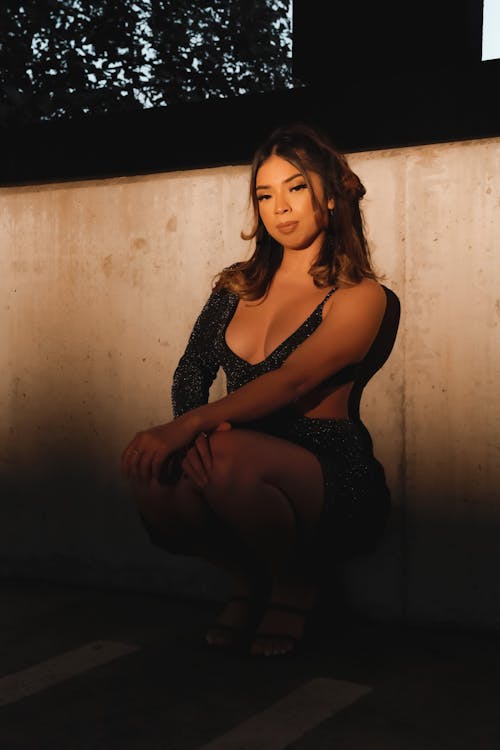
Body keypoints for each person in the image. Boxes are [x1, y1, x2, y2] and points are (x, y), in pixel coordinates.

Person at [121, 122, 394, 658]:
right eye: (265, 194)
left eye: (295, 188)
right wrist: (188, 433)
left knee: (221, 455)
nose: (281, 207)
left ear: (333, 197)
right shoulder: (236, 284)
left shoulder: (360, 295)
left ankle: (297, 584)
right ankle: (248, 580)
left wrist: (192, 426)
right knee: (148, 467)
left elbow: (294, 379)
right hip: (232, 451)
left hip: (329, 469)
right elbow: (193, 368)